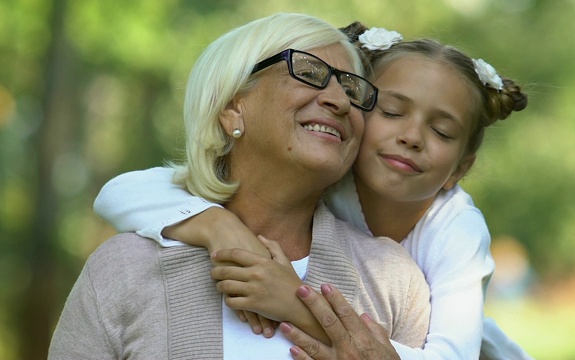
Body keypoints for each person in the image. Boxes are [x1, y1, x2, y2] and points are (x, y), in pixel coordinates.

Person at [93, 23, 532, 359]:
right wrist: (218, 227)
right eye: (392, 111)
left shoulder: (457, 232)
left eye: (440, 130)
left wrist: (297, 306)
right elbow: (119, 191)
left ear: (460, 169)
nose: (412, 137)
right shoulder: (333, 177)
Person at [49, 13, 432, 359]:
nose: (339, 101)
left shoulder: (392, 279)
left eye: (352, 90)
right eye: (309, 72)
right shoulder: (124, 269)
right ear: (232, 107)